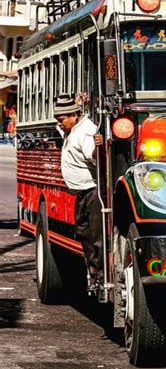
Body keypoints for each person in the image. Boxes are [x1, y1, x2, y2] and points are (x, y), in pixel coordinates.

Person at [53, 94, 104, 288]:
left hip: (92, 192)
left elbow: (93, 155)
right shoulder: (72, 128)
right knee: (83, 231)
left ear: (74, 115)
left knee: (95, 235)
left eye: (62, 119)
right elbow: (60, 127)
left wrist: (96, 147)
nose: (61, 123)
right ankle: (93, 270)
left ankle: (99, 274)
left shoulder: (84, 132)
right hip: (82, 192)